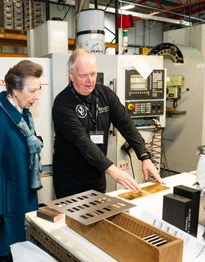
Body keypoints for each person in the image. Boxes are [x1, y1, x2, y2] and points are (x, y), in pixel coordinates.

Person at [52, 48, 163, 199]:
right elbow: (82, 141)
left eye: (93, 74)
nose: (90, 80)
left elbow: (126, 124)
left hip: (96, 175)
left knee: (97, 218)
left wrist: (144, 156)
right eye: (83, 75)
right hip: (70, 179)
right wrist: (112, 170)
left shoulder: (105, 94)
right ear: (71, 75)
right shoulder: (62, 104)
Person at [0, 60, 44, 262]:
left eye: (38, 90)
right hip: (3, 208)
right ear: (14, 90)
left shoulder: (24, 115)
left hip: (22, 199)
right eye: (32, 91)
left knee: (21, 255)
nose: (37, 96)